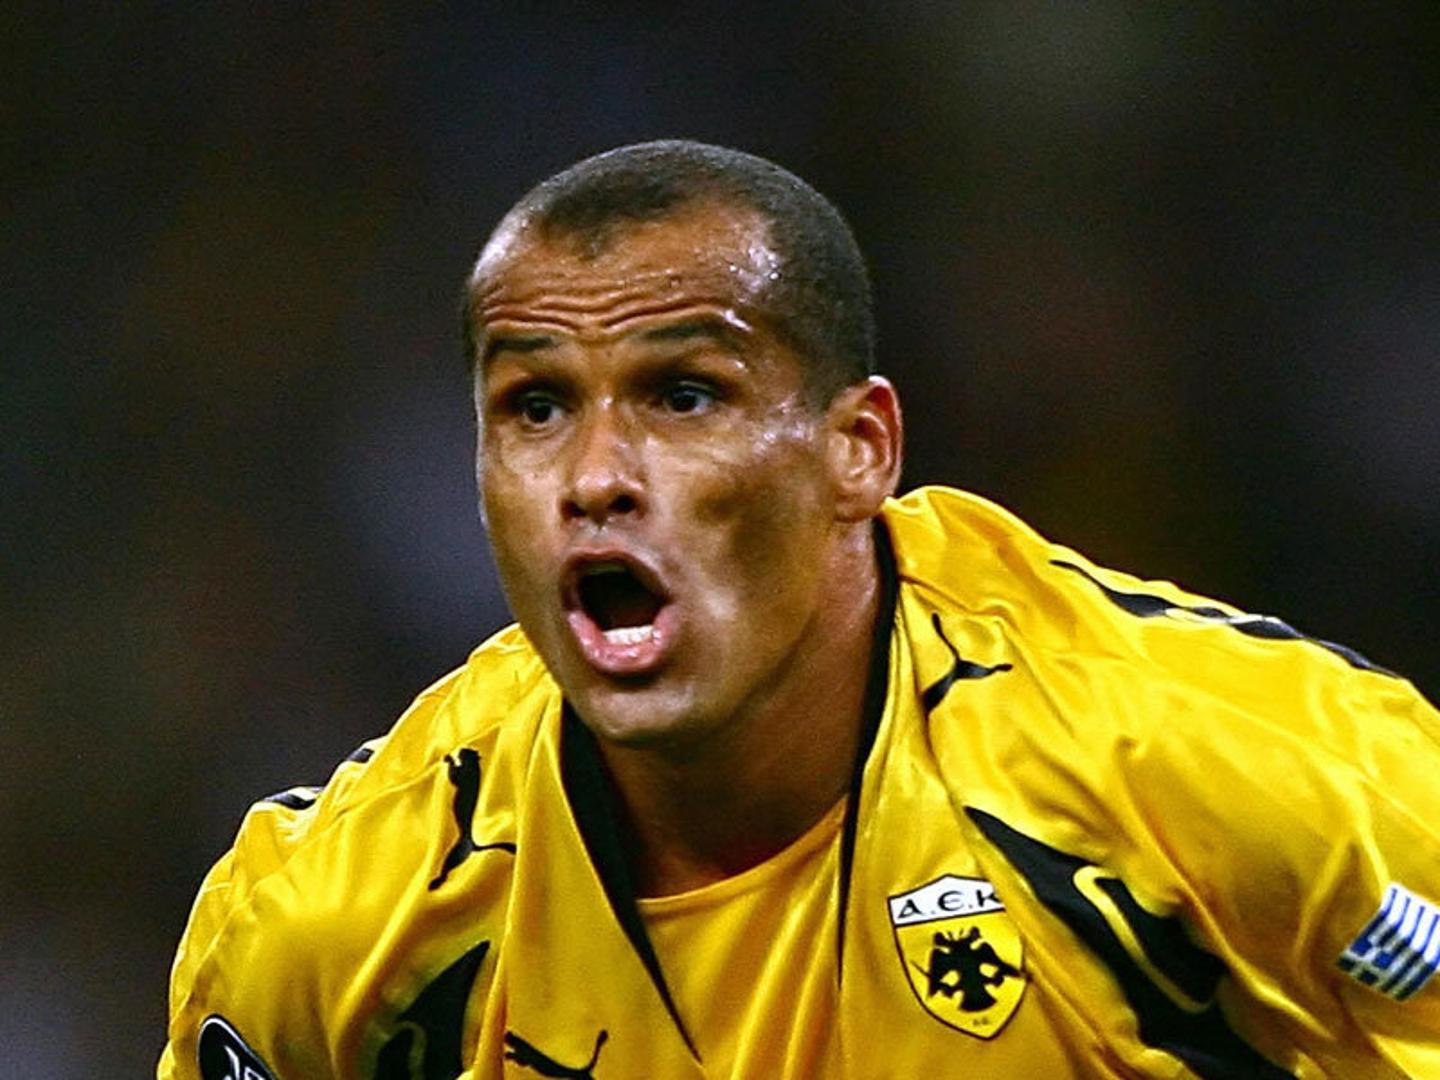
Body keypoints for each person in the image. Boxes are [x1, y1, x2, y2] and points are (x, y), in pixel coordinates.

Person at [160, 141, 1440, 1079]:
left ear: (858, 452)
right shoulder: (336, 928)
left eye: (683, 396)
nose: (596, 476)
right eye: (536, 407)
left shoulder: (1220, 772)